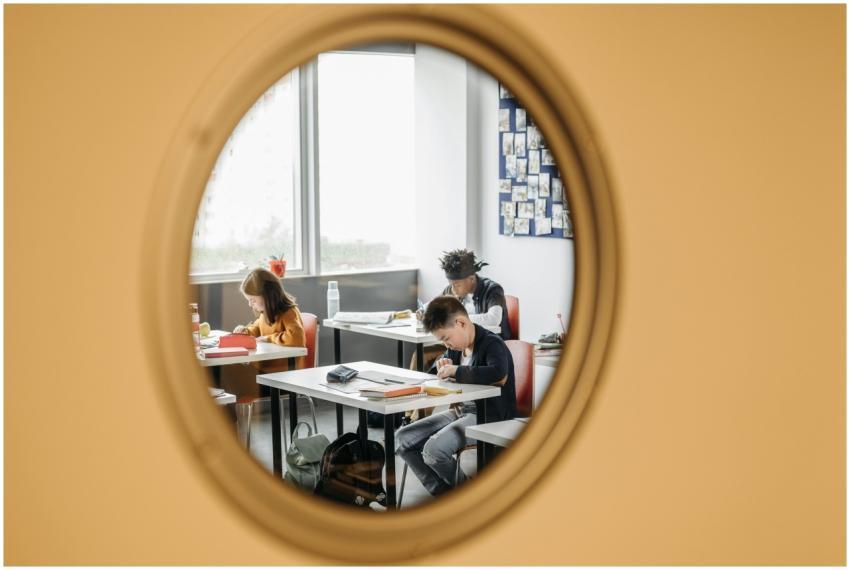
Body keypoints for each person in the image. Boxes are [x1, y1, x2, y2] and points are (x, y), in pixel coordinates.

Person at [395, 296, 517, 497]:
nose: (447, 345)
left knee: (434, 450)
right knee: (402, 439)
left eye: (446, 338)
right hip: (462, 412)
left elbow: (499, 374)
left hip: (489, 415)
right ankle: (443, 492)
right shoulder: (456, 349)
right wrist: (441, 368)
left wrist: (456, 371)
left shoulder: (491, 343)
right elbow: (442, 368)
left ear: (461, 323)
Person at [233, 268, 306, 373]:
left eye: (252, 300)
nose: (250, 304)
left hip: (285, 373)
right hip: (268, 368)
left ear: (267, 296)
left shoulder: (289, 312)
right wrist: (245, 332)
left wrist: (269, 338)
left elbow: (296, 337)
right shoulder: (265, 314)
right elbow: (257, 328)